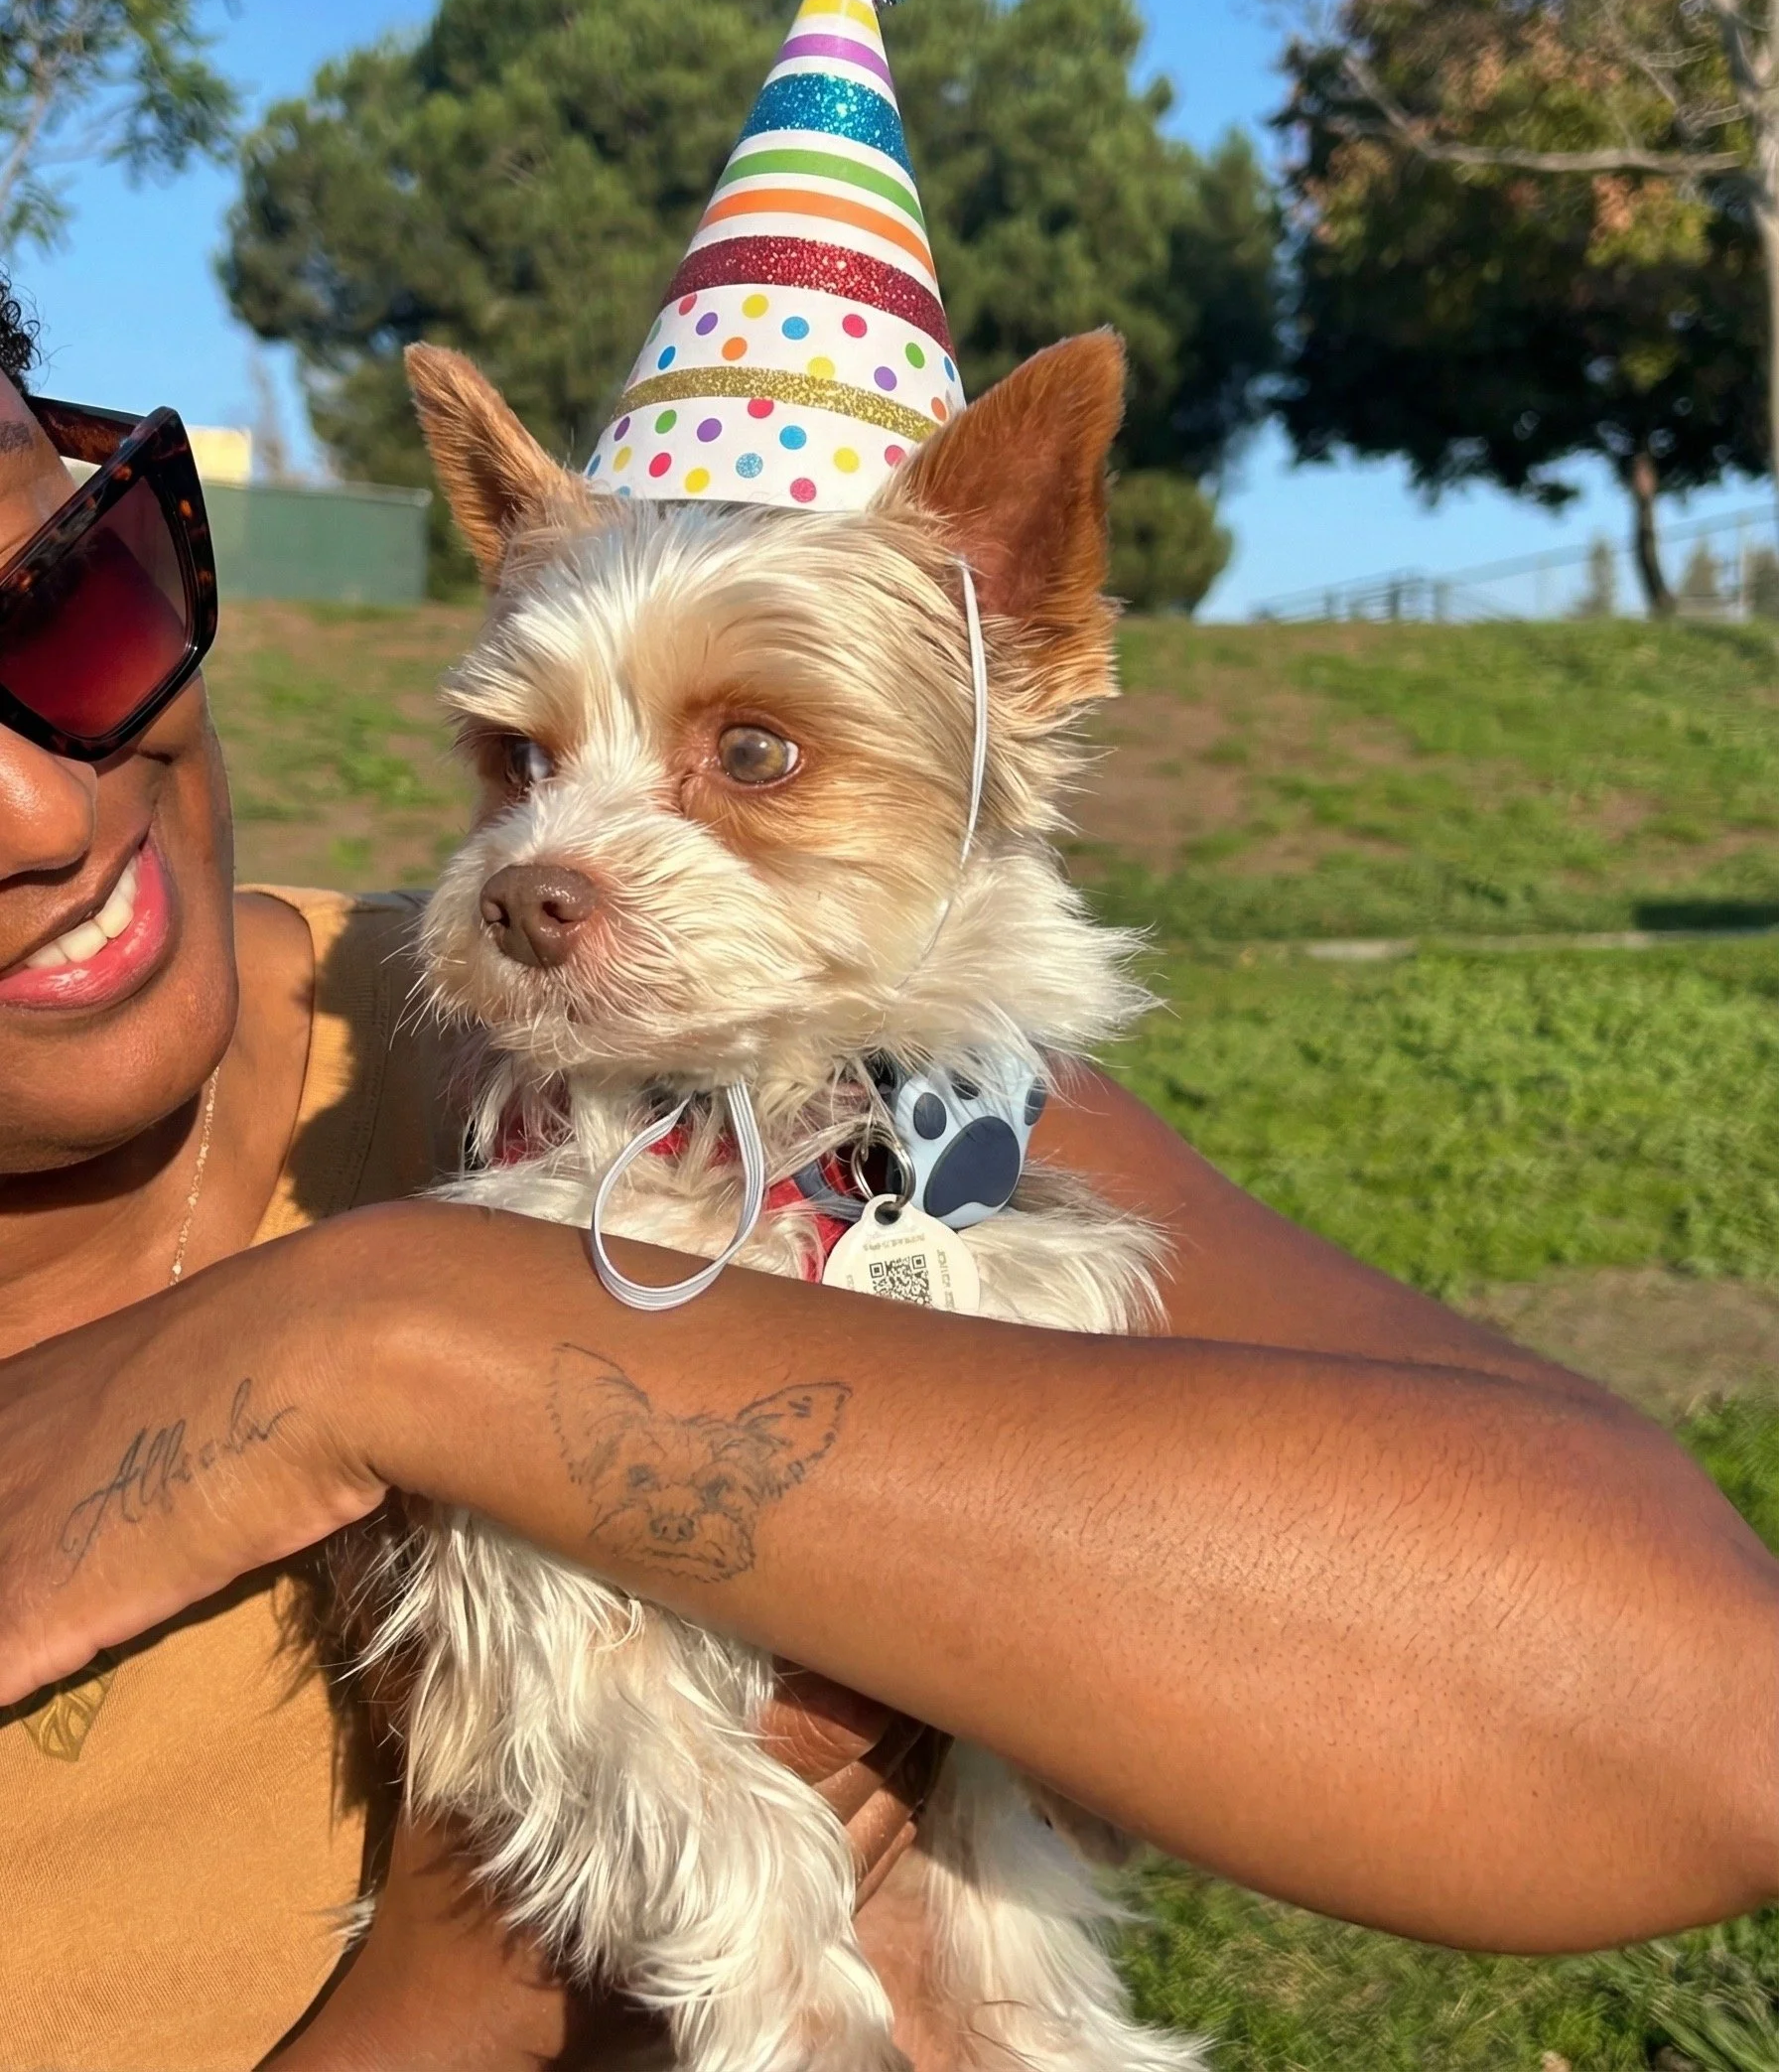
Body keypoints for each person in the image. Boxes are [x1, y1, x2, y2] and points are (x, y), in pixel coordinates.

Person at [1, 311, 1776, 2072]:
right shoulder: (509, 1099)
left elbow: (1696, 1710)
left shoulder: (916, 1126)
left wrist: (372, 1328)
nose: (547, 861)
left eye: (750, 757)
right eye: (525, 762)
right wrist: (463, 2002)